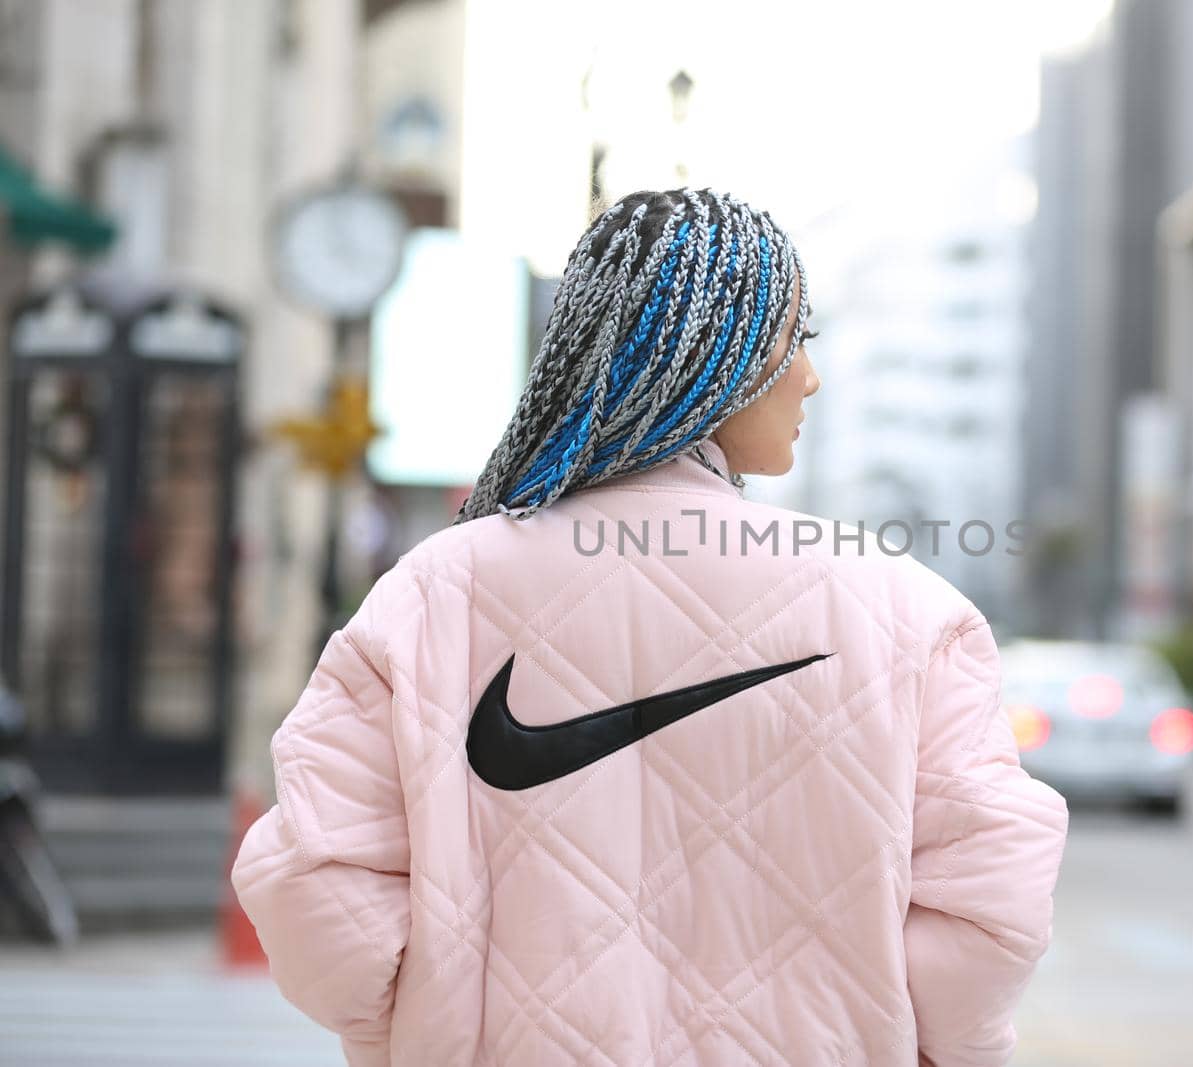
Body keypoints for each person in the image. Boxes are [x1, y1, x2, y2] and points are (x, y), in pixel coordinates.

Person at [232, 188, 1068, 1066]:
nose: (812, 377)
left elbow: (311, 884)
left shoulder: (437, 592)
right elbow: (992, 906)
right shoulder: (909, 610)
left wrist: (419, 1028)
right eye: (797, 341)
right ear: (713, 351)